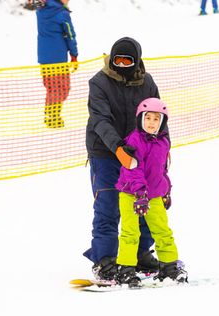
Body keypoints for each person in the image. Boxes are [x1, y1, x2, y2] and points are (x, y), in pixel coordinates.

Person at [84, 37, 161, 282]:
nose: (123, 65)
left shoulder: (146, 82)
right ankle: (105, 259)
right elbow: (100, 119)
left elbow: (158, 114)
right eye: (118, 60)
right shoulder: (99, 82)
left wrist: (161, 149)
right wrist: (118, 147)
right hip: (105, 152)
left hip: (141, 153)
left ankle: (139, 253)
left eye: (128, 61)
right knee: (108, 203)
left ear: (137, 61)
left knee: (144, 201)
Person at [114, 97, 187, 287]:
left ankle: (169, 267)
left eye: (156, 119)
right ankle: (126, 270)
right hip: (131, 194)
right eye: (148, 118)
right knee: (130, 233)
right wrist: (139, 193)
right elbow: (133, 169)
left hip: (153, 196)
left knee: (162, 231)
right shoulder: (133, 141)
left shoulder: (163, 142)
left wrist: (166, 190)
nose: (151, 123)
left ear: (162, 122)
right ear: (140, 119)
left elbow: (161, 170)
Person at [36, 0, 78, 128]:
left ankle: (50, 114)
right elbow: (70, 35)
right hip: (58, 59)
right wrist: (74, 54)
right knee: (62, 88)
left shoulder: (41, 10)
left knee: (51, 87)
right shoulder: (62, 13)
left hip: (44, 58)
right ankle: (53, 116)